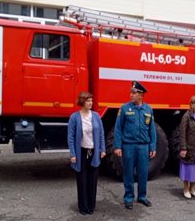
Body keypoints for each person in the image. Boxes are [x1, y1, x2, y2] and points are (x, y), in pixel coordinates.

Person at [113, 81, 156, 210]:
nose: (131, 95)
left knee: (143, 172)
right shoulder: (125, 108)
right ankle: (129, 198)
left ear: (141, 95)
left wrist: (153, 147)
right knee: (128, 173)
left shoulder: (148, 109)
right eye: (131, 92)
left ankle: (142, 196)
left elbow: (152, 130)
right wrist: (117, 146)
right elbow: (118, 129)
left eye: (134, 93)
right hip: (129, 146)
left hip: (143, 146)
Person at [67, 91, 106, 215]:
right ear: (82, 102)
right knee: (82, 179)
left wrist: (103, 149)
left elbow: (101, 134)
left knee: (92, 180)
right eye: (88, 101)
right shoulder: (74, 117)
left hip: (93, 152)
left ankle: (91, 206)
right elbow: (71, 137)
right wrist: (73, 154)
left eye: (91, 101)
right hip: (81, 152)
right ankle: (83, 207)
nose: (91, 103)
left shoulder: (96, 116)